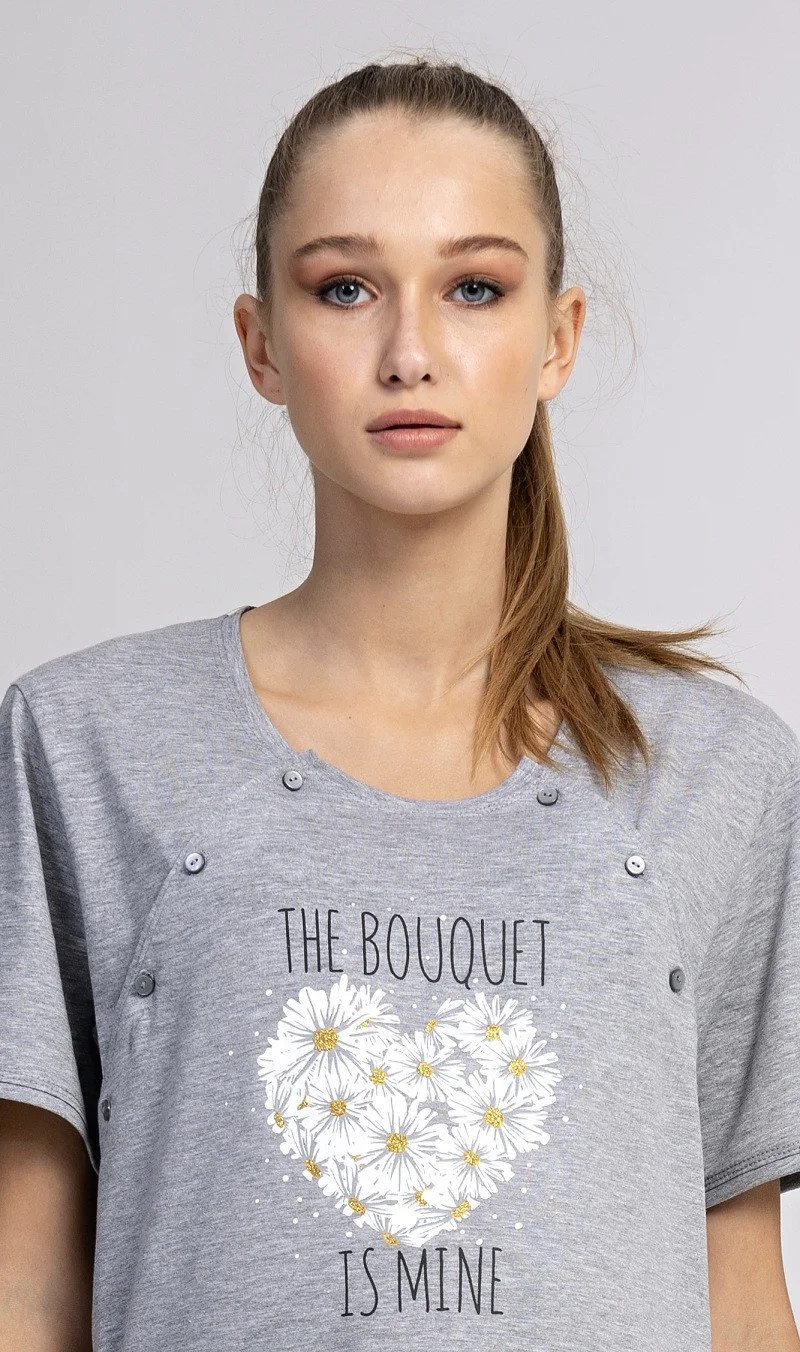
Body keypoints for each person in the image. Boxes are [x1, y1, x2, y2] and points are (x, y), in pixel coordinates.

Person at [1, 53, 798, 1352]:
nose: (411, 353)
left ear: (558, 338)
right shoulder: (87, 744)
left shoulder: (717, 776)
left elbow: (744, 1300)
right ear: (262, 343)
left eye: (474, 288)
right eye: (346, 288)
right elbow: (26, 1291)